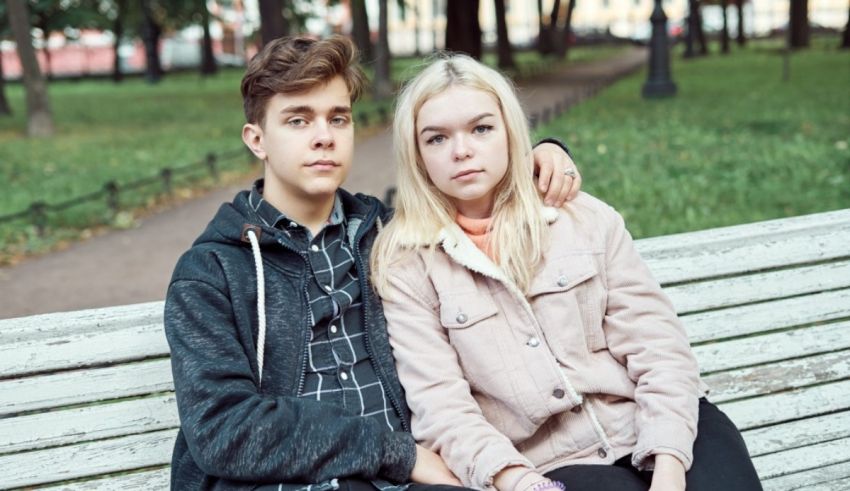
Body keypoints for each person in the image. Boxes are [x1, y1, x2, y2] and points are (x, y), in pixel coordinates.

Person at [164, 36, 580, 490]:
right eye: (298, 120)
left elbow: (474, 188)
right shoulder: (212, 273)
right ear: (257, 139)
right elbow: (222, 431)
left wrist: (539, 158)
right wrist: (393, 452)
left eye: (337, 118)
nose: (324, 136)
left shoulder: (391, 236)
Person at [371, 54, 763, 491]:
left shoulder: (581, 218)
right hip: (551, 464)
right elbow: (442, 409)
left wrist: (670, 465)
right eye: (437, 138)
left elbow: (658, 347)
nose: (462, 150)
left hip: (658, 421)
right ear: (417, 154)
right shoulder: (408, 266)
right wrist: (517, 481)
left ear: (509, 133)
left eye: (481, 129)